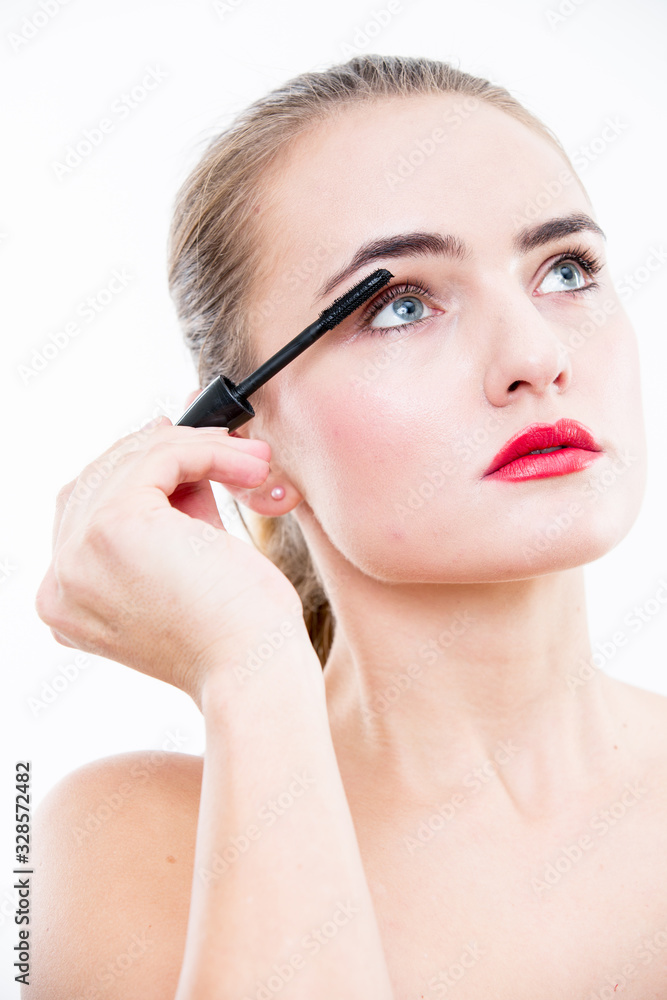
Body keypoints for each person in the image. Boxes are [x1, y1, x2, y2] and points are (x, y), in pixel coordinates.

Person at [30, 54, 667, 999]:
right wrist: (248, 672)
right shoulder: (117, 843)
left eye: (566, 270)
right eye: (399, 305)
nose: (535, 356)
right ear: (243, 437)